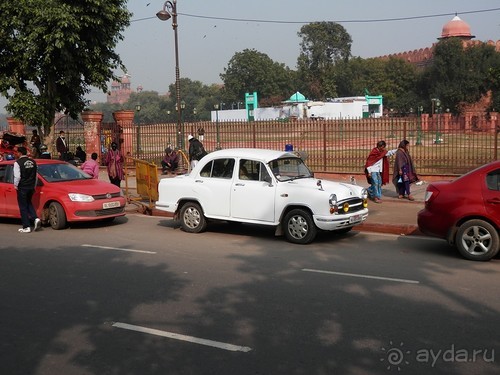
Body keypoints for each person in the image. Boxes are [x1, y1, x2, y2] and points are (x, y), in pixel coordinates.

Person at [13, 146, 41, 233]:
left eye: (17, 152)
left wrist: (15, 185)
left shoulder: (17, 163)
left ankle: (26, 226)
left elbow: (17, 176)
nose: (16, 154)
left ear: (20, 153)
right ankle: (35, 218)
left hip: (22, 187)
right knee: (28, 203)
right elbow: (36, 176)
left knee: (23, 207)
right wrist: (34, 186)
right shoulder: (33, 162)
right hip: (31, 187)